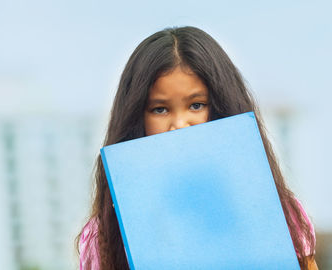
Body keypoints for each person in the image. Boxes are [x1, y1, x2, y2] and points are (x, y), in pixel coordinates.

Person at [75, 26, 317, 270]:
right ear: (137, 118)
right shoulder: (104, 235)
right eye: (160, 109)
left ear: (222, 107)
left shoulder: (280, 212)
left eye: (196, 105)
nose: (180, 125)